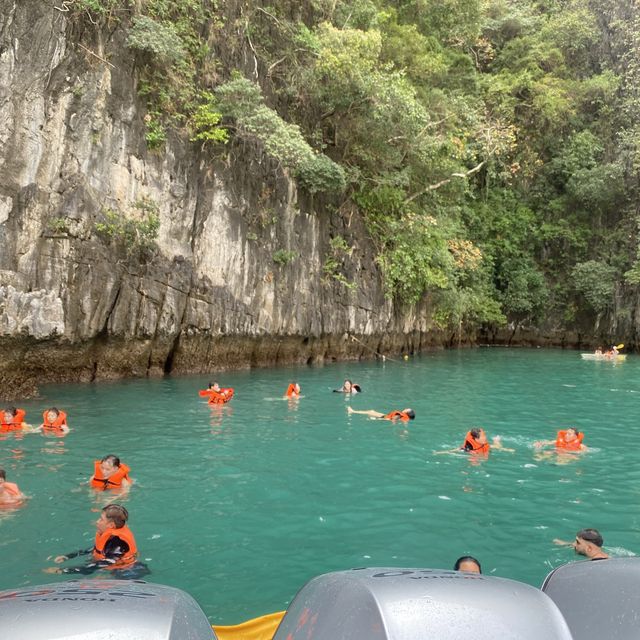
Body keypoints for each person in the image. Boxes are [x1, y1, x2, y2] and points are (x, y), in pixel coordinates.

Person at [44, 503, 147, 576]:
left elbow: (98, 565)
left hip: (128, 572)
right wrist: (68, 556)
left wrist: (62, 571)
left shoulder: (118, 543)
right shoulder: (110, 536)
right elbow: (96, 548)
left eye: (101, 519)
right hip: (112, 567)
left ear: (111, 525)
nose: (97, 522)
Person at [435, 428, 512, 455]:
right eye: (483, 437)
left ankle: (496, 440)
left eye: (485, 435)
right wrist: (441, 452)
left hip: (484, 449)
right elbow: (453, 451)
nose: (485, 438)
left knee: (498, 447)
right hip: (478, 450)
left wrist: (507, 450)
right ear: (476, 439)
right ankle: (496, 440)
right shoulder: (468, 448)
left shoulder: (483, 442)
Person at [347, 406, 415, 421]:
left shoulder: (400, 415)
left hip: (384, 417)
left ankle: (352, 411)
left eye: (407, 409)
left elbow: (392, 419)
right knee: (371, 411)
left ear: (407, 412)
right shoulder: (405, 418)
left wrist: (376, 419)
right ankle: (353, 411)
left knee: (369, 412)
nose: (406, 408)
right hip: (385, 415)